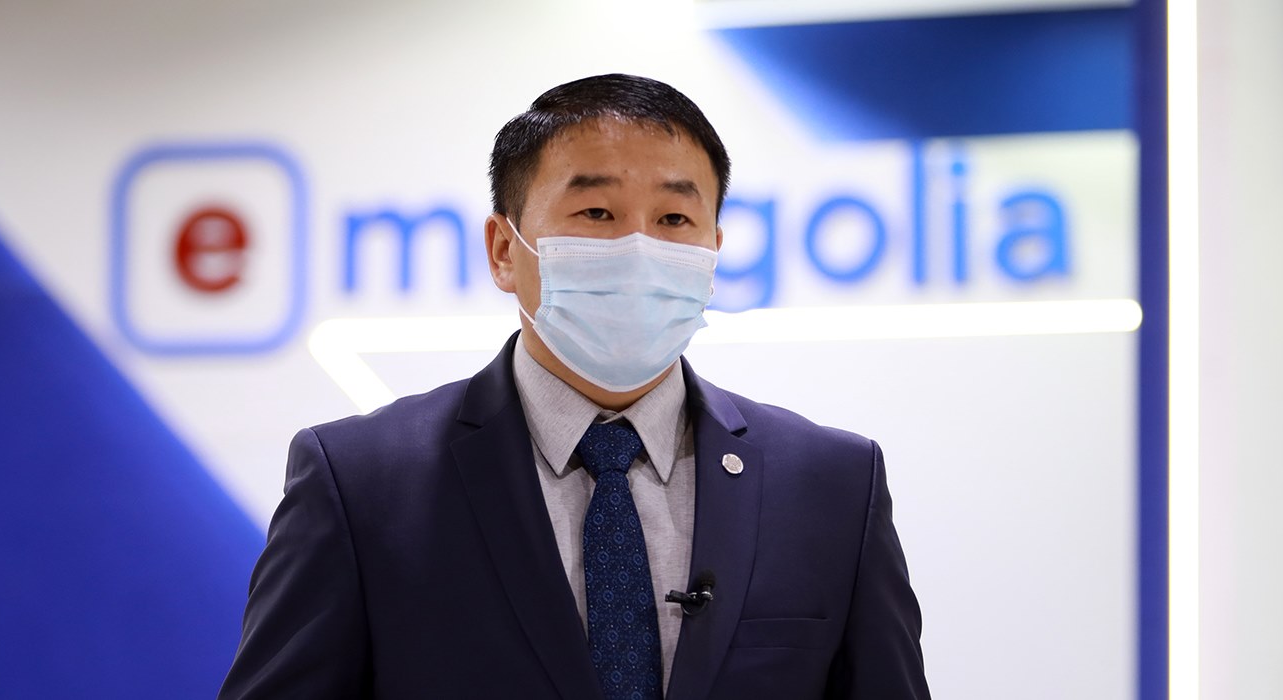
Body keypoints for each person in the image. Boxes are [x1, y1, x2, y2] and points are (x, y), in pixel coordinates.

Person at [219, 73, 929, 699]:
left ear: (714, 250)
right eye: (596, 213)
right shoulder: (360, 483)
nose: (639, 247)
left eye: (674, 218)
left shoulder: (834, 485)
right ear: (505, 249)